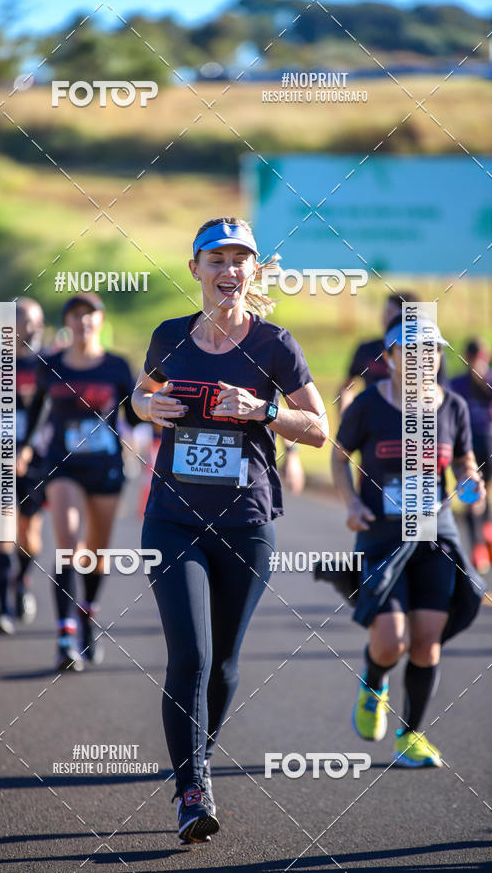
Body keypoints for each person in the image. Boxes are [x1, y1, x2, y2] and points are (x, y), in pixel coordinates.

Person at [132, 217, 328, 844]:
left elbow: (320, 428)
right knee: (188, 653)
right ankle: (192, 791)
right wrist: (147, 406)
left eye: (239, 259)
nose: (228, 270)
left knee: (223, 665)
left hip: (245, 524)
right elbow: (139, 396)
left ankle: (196, 759)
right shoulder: (169, 336)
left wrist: (264, 412)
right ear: (195, 270)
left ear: (253, 271)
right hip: (172, 519)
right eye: (215, 259)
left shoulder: (275, 344)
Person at [332, 311, 486, 768]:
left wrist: (470, 478)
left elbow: (464, 459)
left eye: (433, 351)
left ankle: (410, 735)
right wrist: (352, 504)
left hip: (434, 534)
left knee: (426, 640)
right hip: (382, 535)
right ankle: (374, 679)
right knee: (391, 641)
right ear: (392, 357)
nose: (424, 360)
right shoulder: (369, 405)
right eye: (412, 352)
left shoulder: (452, 406)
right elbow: (340, 457)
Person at [23, 293, 138, 671]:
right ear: (67, 323)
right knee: (69, 545)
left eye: (90, 315)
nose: (83, 322)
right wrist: (25, 448)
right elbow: (38, 408)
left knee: (96, 555)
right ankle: (65, 635)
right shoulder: (51, 364)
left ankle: (87, 616)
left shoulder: (118, 367)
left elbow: (136, 418)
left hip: (105, 469)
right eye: (76, 315)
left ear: (101, 321)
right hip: (62, 467)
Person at [0, 298, 47, 634]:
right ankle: (2, 609)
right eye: (24, 321)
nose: (30, 328)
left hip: (35, 459)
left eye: (36, 321)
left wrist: (29, 447)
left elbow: (50, 410)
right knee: (0, 533)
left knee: (29, 537)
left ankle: (23, 579)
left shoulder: (48, 362)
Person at [450, 338, 492, 574]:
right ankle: (489, 530)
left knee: (471, 493)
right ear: (487, 355)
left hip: (469, 443)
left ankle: (478, 548)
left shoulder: (457, 382)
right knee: (487, 490)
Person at [336, 292, 428, 415]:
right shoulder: (366, 349)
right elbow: (346, 388)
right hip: (371, 420)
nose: (383, 317)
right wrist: (346, 415)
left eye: (390, 312)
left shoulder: (427, 354)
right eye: (384, 312)